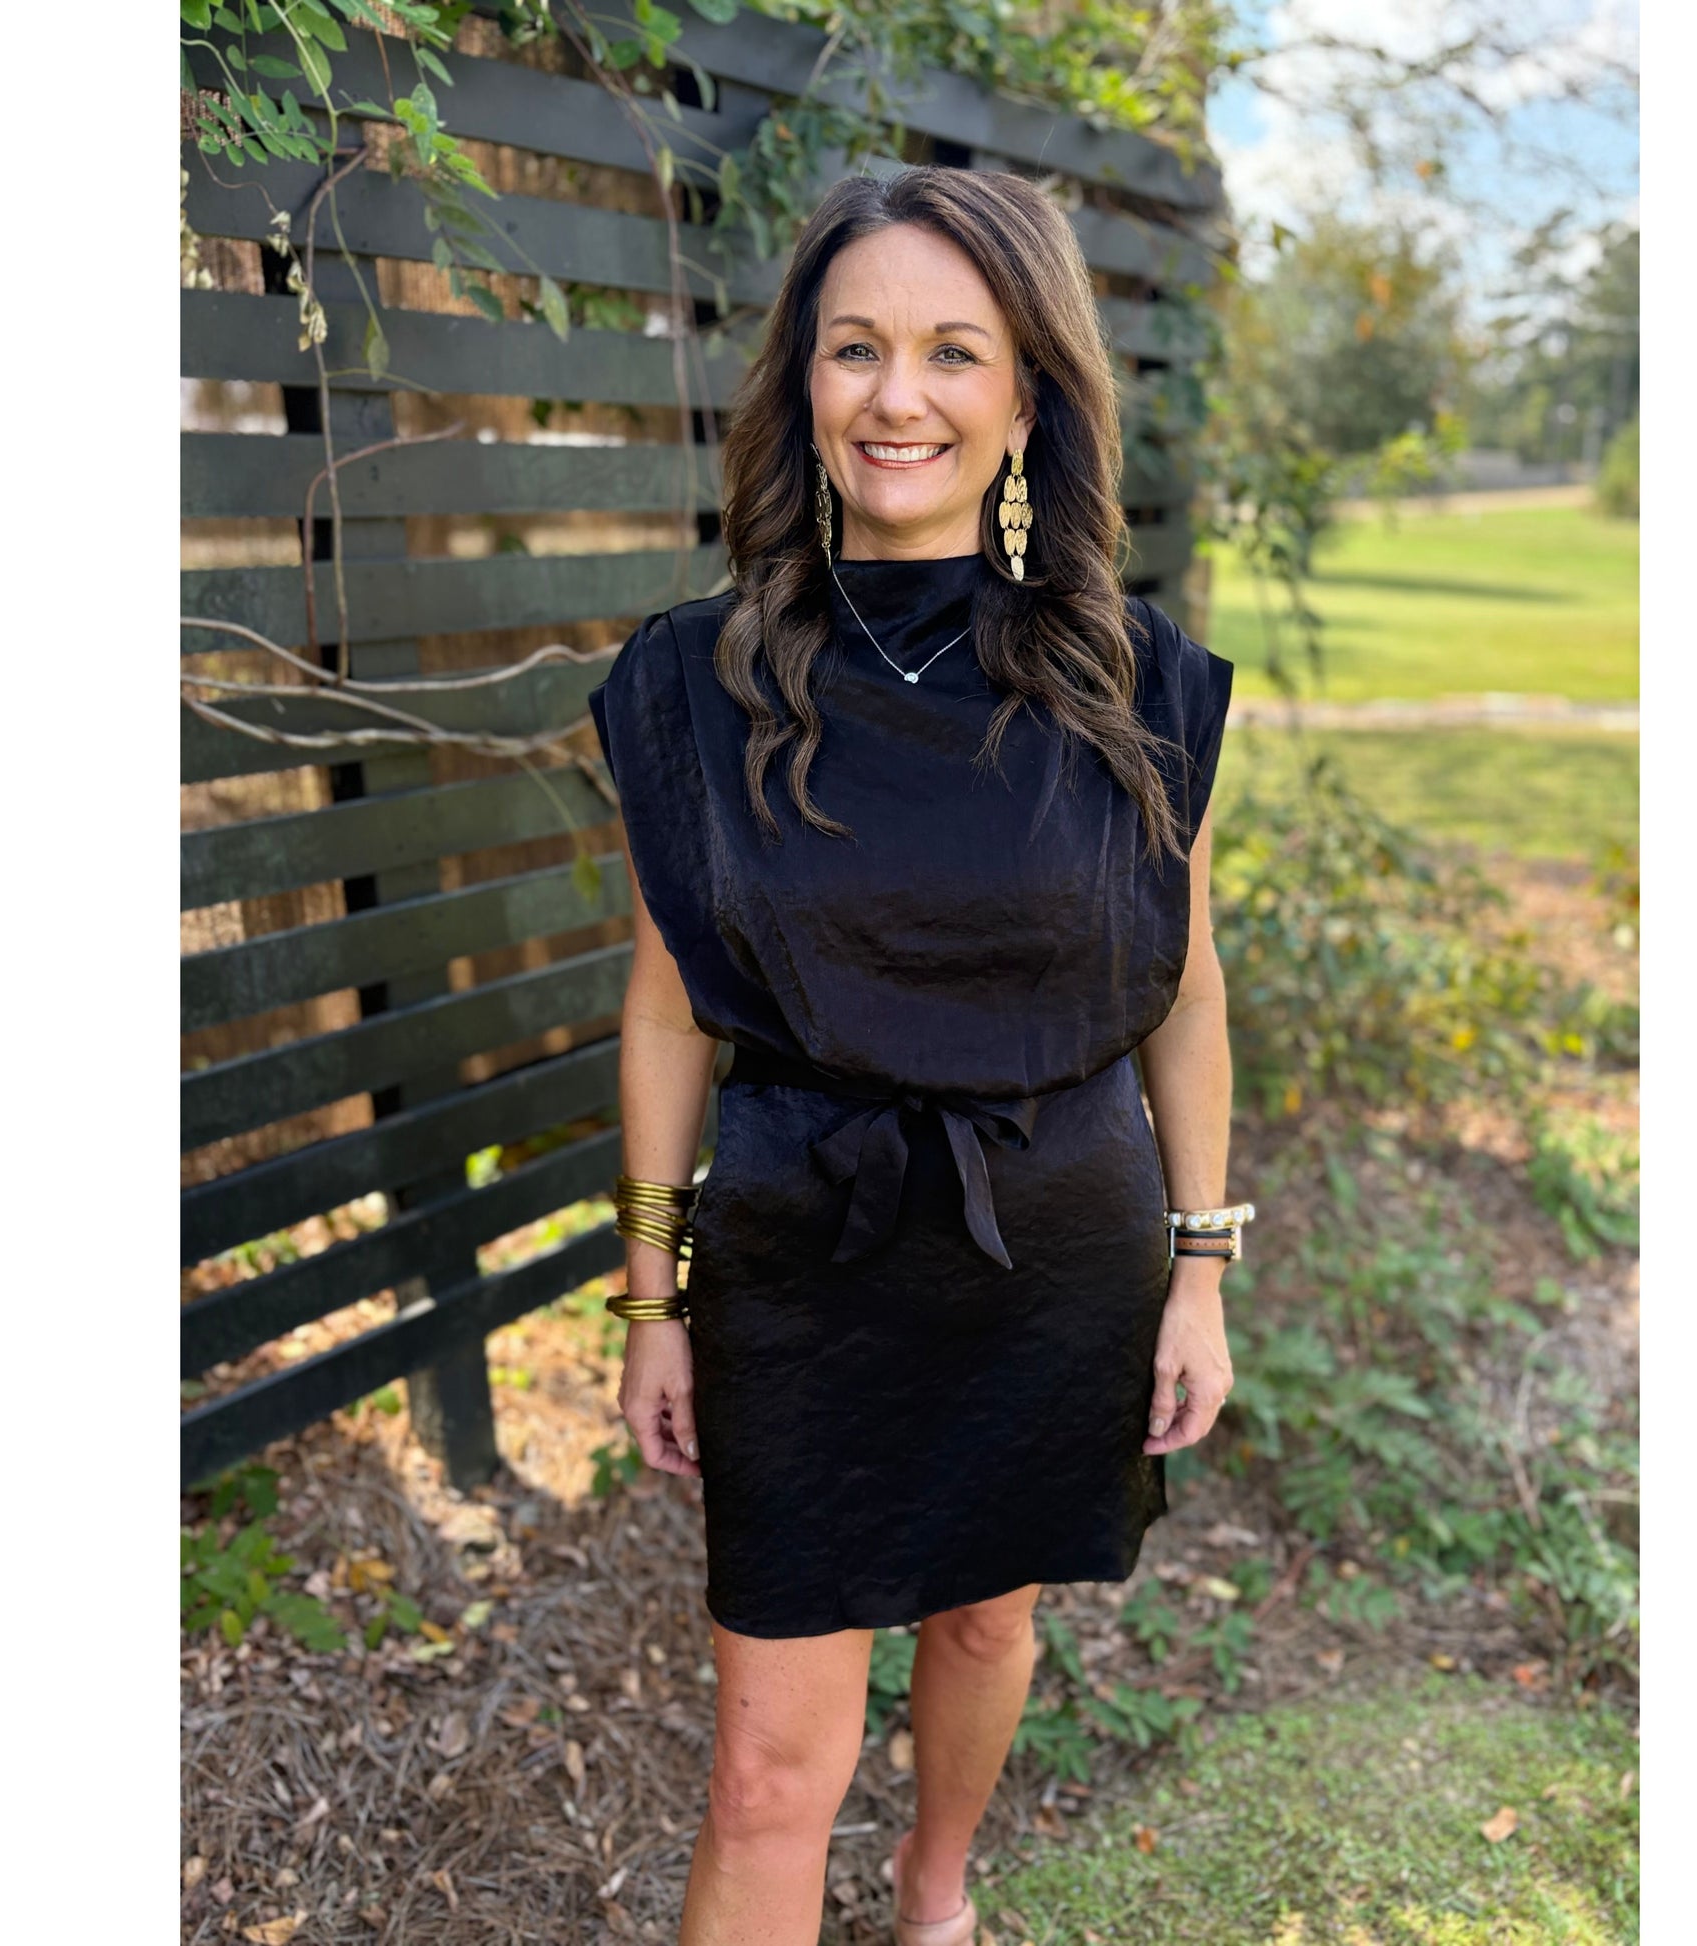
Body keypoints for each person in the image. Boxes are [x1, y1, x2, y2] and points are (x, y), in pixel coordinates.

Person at [586, 165, 1242, 1946]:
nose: (898, 395)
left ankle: (934, 1888)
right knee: (762, 1778)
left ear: (1026, 397)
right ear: (802, 380)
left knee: (985, 1614)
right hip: (800, 1255)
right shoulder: (692, 684)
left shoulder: (1136, 682)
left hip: (1057, 1246)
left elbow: (1183, 990)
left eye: (954, 350)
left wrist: (1198, 1270)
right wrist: (650, 1297)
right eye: (856, 347)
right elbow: (666, 1004)